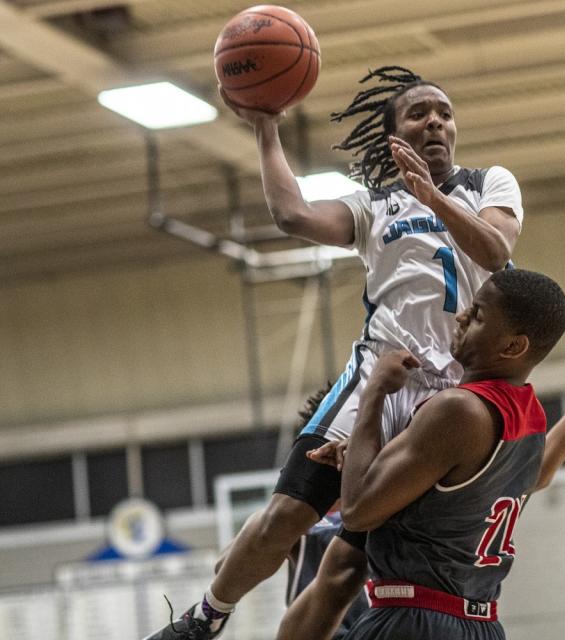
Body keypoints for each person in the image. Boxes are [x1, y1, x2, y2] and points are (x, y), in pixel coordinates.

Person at [144, 65, 524, 640]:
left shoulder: (490, 183)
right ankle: (205, 618)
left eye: (445, 113)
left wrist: (433, 199)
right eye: (419, 113)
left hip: (458, 395)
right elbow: (292, 215)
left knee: (354, 563)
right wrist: (266, 128)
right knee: (288, 516)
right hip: (380, 375)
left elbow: (495, 251)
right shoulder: (372, 207)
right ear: (396, 136)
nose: (436, 122)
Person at [285, 302, 565, 639]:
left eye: (477, 314)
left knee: (339, 569)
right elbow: (539, 473)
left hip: (415, 617)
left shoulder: (457, 411)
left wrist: (373, 391)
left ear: (512, 344)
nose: (462, 316)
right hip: (480, 624)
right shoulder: (525, 413)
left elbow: (357, 514)